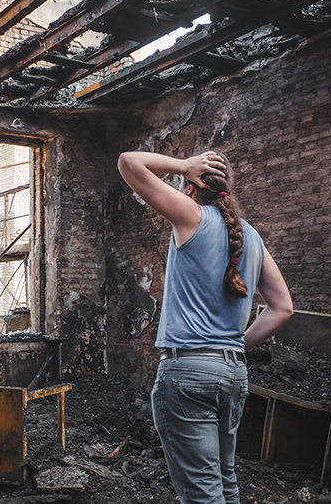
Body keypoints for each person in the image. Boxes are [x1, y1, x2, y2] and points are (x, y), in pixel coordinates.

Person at [117, 150, 293, 504]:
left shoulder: (190, 216)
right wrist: (234, 347)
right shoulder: (252, 238)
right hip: (232, 374)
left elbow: (128, 162)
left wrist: (184, 165)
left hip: (188, 374)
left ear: (191, 187)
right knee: (225, 483)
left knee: (203, 494)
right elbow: (283, 308)